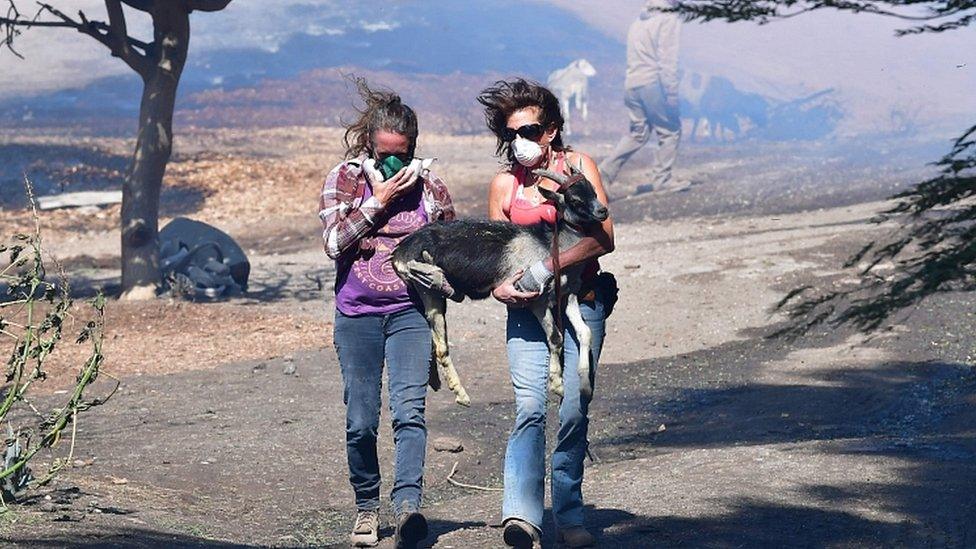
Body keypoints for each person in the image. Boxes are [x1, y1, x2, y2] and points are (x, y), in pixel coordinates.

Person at [318, 77, 454, 549]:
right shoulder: (346, 179)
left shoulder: (431, 189)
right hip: (356, 315)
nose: (394, 161)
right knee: (360, 419)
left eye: (402, 152)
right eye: (385, 152)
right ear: (370, 146)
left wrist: (441, 277)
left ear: (413, 146)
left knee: (409, 412)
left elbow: (450, 247)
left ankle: (408, 508)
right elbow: (334, 243)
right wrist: (376, 204)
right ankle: (366, 507)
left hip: (410, 314)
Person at [479, 78, 616, 548]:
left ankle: (570, 515)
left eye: (531, 130)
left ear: (552, 130)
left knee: (575, 409)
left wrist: (545, 268)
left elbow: (604, 238)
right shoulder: (504, 186)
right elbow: (495, 254)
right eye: (512, 133)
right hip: (526, 312)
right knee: (530, 409)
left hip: (582, 302)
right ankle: (521, 515)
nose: (522, 141)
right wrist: (500, 288)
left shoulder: (579, 169)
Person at [599, 0, 687, 195]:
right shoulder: (668, 19)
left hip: (632, 84)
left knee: (637, 134)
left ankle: (603, 174)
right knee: (670, 130)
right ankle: (661, 180)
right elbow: (668, 60)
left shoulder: (639, 20)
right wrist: (671, 92)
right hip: (652, 84)